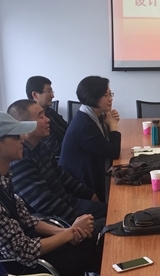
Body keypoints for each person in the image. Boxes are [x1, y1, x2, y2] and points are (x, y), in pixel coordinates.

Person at [0, 111, 101, 276]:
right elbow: (24, 251)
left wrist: (68, 231)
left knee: (98, 236)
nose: (22, 139)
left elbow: (27, 219)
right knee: (100, 242)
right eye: (15, 136)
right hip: (23, 269)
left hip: (33, 250)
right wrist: (69, 234)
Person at [8, 99, 107, 233]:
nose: (47, 120)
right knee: (111, 221)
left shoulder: (41, 147)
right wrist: (78, 220)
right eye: (41, 116)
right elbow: (44, 203)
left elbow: (62, 176)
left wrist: (90, 194)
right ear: (23, 125)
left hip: (68, 203)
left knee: (112, 211)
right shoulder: (18, 159)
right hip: (54, 221)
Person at [59, 76, 121, 202]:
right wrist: (113, 126)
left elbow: (105, 145)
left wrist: (107, 124)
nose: (110, 99)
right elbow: (113, 152)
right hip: (81, 188)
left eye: (110, 94)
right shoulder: (84, 125)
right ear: (93, 97)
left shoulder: (91, 116)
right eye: (106, 95)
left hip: (90, 175)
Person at [26, 76, 68, 157]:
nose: (52, 96)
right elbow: (55, 149)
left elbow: (67, 128)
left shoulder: (50, 111)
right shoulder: (33, 120)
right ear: (35, 95)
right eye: (48, 91)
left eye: (52, 91)